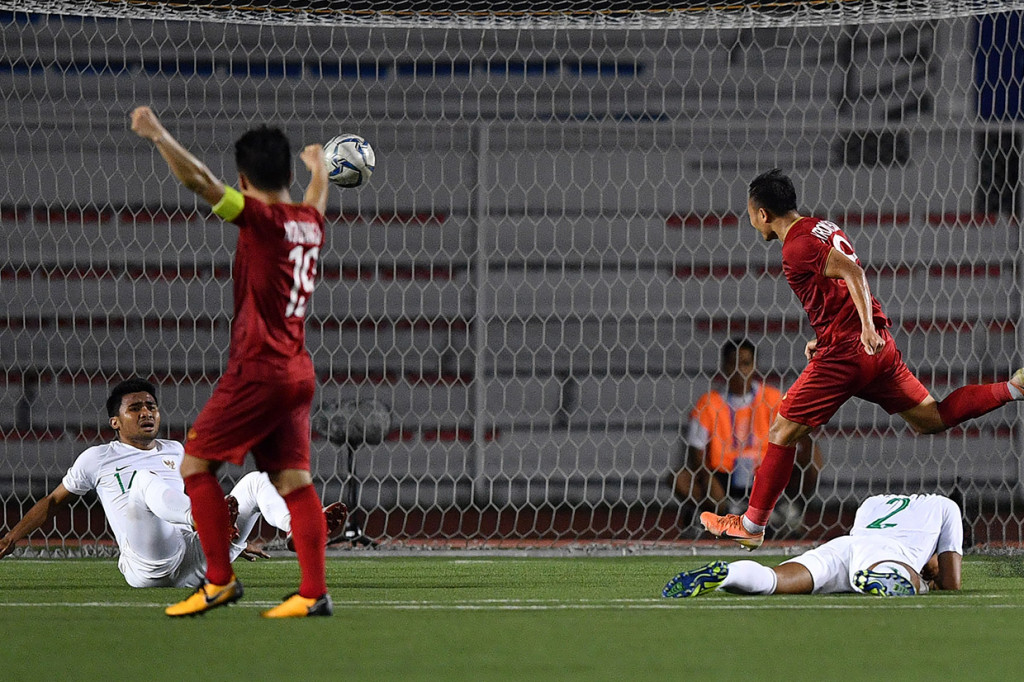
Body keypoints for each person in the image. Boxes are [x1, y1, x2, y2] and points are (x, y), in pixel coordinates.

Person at [700, 168, 1024, 550]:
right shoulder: (822, 226)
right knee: (930, 418)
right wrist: (829, 336)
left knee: (781, 431)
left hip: (852, 350)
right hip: (876, 350)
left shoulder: (796, 246)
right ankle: (1013, 387)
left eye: (751, 213)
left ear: (763, 214)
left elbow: (851, 271)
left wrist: (862, 329)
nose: (752, 221)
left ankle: (752, 526)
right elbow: (835, 288)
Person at [130, 106, 332, 618]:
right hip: (297, 370)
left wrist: (158, 134)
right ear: (288, 173)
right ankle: (313, 593)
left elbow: (199, 180)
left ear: (244, 179)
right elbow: (314, 204)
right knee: (294, 483)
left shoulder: (260, 221)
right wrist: (321, 170)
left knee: (195, 464)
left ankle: (218, 582)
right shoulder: (308, 224)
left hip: (258, 371)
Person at [0, 379, 347, 588]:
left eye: (151, 406)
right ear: (115, 422)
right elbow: (55, 501)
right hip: (148, 563)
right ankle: (208, 522)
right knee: (143, 481)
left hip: (194, 560)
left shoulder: (176, 450)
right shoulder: (97, 458)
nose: (147, 413)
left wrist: (239, 539)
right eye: (135, 408)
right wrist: (14, 535)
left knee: (256, 481)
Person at [664, 493, 963, 598]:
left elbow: (862, 543)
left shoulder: (873, 503)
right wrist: (932, 578)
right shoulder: (946, 507)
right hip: (885, 558)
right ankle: (884, 579)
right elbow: (952, 583)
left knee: (775, 579)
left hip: (843, 547)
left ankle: (728, 574)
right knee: (913, 581)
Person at [675, 338, 822, 533]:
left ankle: (787, 509)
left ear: (754, 366)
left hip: (762, 476)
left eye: (745, 364)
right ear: (724, 367)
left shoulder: (773, 398)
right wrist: (708, 479)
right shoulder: (709, 403)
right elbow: (696, 452)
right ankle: (717, 511)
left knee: (812, 460)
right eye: (733, 364)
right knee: (679, 479)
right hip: (722, 477)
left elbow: (800, 438)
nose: (740, 370)